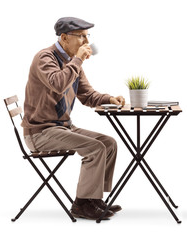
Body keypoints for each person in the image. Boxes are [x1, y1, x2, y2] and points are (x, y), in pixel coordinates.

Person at [21, 17, 125, 220]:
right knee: (96, 148)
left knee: (109, 143)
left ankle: (93, 200)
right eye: (82, 37)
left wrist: (110, 98)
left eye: (88, 37)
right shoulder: (45, 57)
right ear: (64, 37)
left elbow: (88, 95)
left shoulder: (72, 63)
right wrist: (77, 60)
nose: (87, 42)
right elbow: (58, 83)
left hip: (62, 127)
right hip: (40, 132)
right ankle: (81, 204)